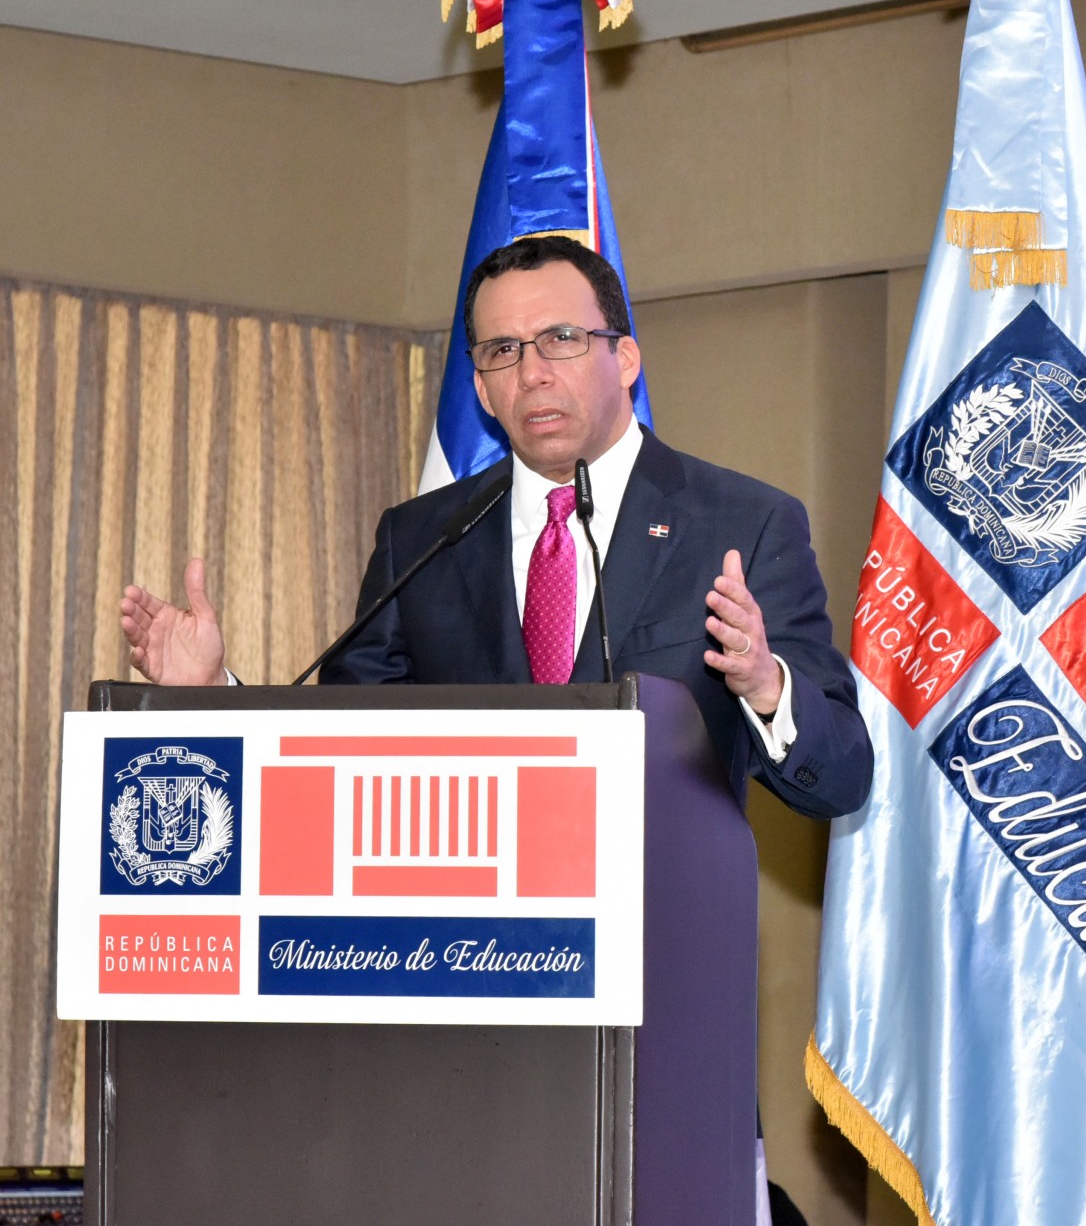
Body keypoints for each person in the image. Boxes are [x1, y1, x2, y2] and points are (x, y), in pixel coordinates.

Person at [121, 236, 873, 819]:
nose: (532, 372)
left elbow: (842, 777)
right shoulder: (421, 539)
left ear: (625, 359)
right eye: (503, 351)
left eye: (562, 339)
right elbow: (338, 749)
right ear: (481, 389)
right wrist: (210, 694)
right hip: (467, 949)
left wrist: (766, 686)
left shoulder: (744, 523)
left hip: (660, 945)